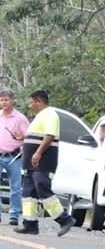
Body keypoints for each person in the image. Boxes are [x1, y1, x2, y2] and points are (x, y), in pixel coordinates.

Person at [13, 89, 75, 236]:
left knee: (41, 185)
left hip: (43, 160)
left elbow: (50, 135)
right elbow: (36, 136)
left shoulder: (50, 114)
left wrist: (38, 152)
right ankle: (30, 223)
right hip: (31, 162)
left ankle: (64, 219)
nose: (30, 106)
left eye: (31, 103)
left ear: (40, 101)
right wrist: (22, 138)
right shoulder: (39, 117)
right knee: (28, 192)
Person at [0, 89, 29, 226]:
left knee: (16, 188)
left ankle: (14, 214)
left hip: (14, 156)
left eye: (6, 100)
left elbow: (29, 137)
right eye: (1, 100)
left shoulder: (20, 118)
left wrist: (21, 138)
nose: (3, 103)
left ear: (12, 101)